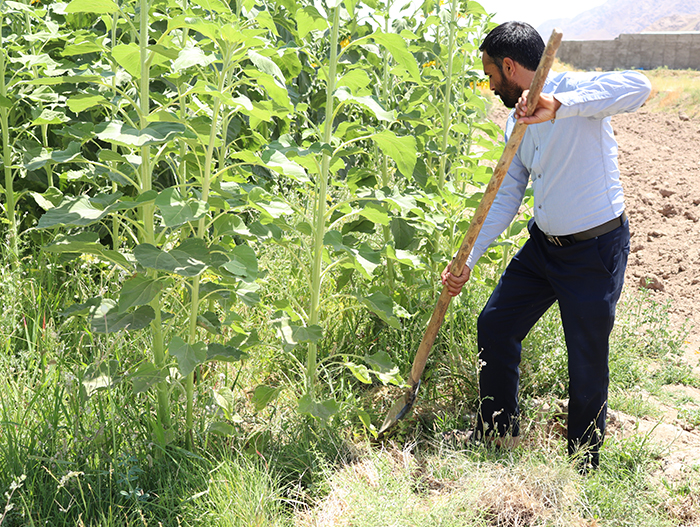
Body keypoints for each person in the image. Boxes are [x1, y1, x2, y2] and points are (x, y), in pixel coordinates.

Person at [441, 21, 651, 469]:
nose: (490, 83)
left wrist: (559, 105)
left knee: (586, 355)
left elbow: (640, 86)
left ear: (510, 66)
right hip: (543, 249)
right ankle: (497, 433)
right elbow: (506, 197)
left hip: (594, 250)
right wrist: (468, 258)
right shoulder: (515, 123)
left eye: (491, 74)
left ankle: (582, 465)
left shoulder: (575, 91)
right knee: (496, 326)